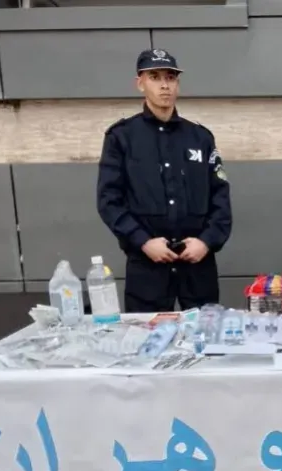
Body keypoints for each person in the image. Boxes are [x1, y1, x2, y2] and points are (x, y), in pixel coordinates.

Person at [97, 48, 232, 312]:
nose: (164, 85)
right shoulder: (122, 137)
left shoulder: (200, 138)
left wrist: (207, 241)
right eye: (155, 77)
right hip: (148, 265)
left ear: (177, 84)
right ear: (140, 83)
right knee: (146, 335)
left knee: (206, 333)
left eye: (170, 78)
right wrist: (143, 241)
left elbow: (220, 197)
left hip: (197, 263)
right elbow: (109, 200)